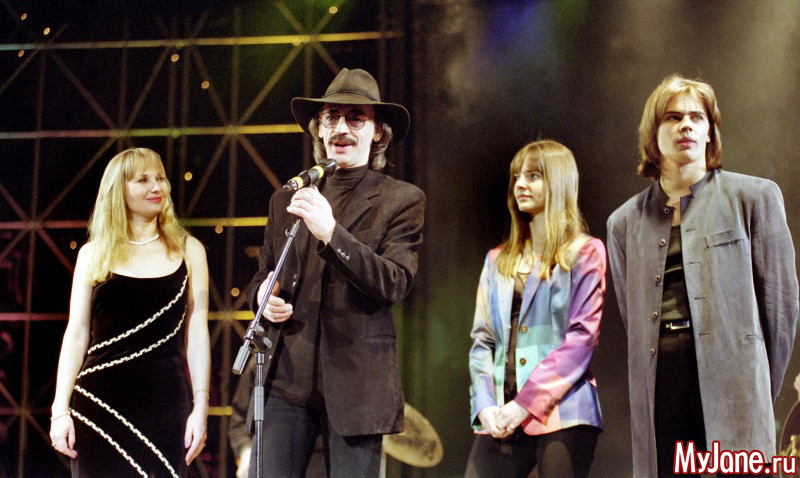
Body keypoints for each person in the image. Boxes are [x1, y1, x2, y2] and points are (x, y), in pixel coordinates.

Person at [607, 74, 798, 477]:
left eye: (697, 117)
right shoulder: (623, 223)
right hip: (661, 387)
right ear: (653, 132)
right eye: (673, 117)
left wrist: (756, 387)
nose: (686, 126)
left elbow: (781, 310)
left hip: (735, 385)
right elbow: (631, 316)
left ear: (710, 131)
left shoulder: (754, 197)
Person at [244, 68, 425, 477]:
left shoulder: (401, 199)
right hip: (287, 382)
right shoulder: (287, 199)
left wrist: (331, 233)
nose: (341, 128)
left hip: (358, 387)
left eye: (355, 118)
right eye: (331, 117)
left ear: (378, 132)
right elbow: (264, 275)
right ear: (319, 129)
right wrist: (262, 298)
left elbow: (394, 282)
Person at [49, 148, 210, 477]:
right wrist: (59, 410)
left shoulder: (189, 250)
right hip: (98, 403)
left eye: (160, 178)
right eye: (143, 180)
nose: (157, 187)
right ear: (118, 190)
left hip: (166, 405)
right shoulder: (93, 254)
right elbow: (76, 334)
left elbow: (197, 334)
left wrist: (201, 406)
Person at [466, 140, 604, 478]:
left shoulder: (585, 252)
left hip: (564, 410)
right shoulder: (497, 260)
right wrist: (484, 406)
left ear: (558, 182)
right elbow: (483, 341)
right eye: (517, 177)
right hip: (502, 412)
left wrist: (525, 404)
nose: (520, 185)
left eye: (533, 176)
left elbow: (581, 339)